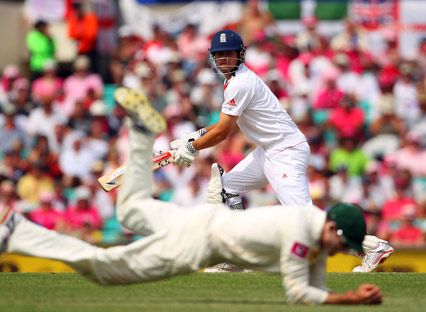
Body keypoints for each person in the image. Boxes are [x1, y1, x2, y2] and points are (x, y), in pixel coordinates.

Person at [0, 91, 383, 305]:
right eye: (340, 243)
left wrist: (190, 144)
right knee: (105, 268)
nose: (336, 251)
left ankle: (140, 134)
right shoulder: (304, 231)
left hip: (203, 221)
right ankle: (19, 233)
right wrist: (352, 299)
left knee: (131, 210)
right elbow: (300, 292)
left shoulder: (312, 237)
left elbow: (218, 131)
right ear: (330, 225)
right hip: (198, 241)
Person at [170, 30, 393, 272]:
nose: (225, 60)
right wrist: (193, 137)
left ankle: (372, 246)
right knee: (225, 187)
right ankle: (236, 255)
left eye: (229, 54)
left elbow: (224, 131)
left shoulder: (241, 83)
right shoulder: (233, 81)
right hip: (269, 149)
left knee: (303, 217)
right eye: (219, 55)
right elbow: (223, 124)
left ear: (240, 55)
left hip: (285, 151)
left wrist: (193, 147)